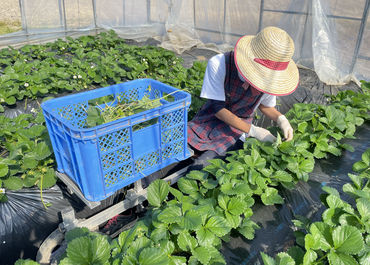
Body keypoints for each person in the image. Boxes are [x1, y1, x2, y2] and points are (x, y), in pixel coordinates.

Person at [187, 26, 299, 169]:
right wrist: (253, 131)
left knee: (206, 164)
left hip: (238, 128)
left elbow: (266, 105)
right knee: (181, 148)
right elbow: (217, 109)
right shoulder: (220, 64)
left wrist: (281, 119)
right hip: (210, 118)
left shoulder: (270, 81)